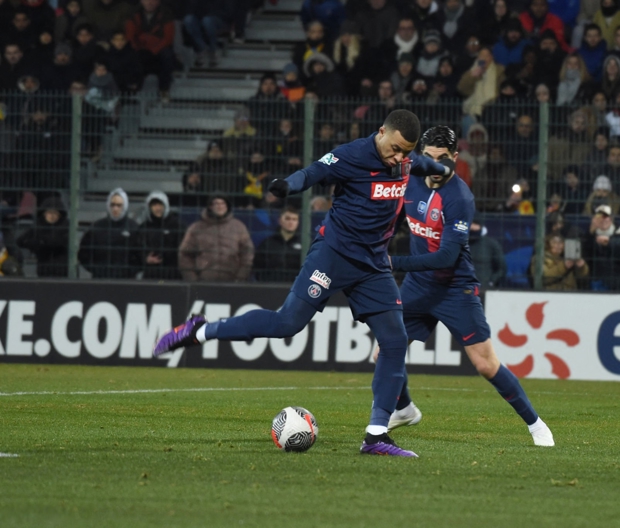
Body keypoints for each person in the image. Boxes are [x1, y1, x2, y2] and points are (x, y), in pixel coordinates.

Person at [154, 110, 456, 457]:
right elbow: (313, 172)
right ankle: (201, 330)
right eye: (397, 149)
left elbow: (419, 164)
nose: (400, 157)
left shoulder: (403, 159)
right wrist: (287, 185)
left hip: (372, 264)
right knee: (286, 324)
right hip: (333, 255)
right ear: (382, 132)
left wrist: (440, 169)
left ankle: (376, 437)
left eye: (407, 151)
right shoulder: (351, 155)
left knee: (394, 339)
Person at [385, 126, 554, 447]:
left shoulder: (460, 197)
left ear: (456, 158)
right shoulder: (407, 183)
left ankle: (536, 424)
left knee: (485, 364)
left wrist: (394, 263)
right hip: (417, 286)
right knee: (384, 350)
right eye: (430, 158)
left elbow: (447, 257)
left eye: (444, 159)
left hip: (454, 287)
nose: (436, 167)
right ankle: (404, 408)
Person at [178, 193, 254, 282]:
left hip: (233, 284)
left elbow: (247, 254)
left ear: (227, 206)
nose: (220, 206)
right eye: (216, 203)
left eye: (223, 203)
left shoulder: (239, 227)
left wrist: (240, 278)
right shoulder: (196, 228)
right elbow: (184, 255)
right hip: (204, 283)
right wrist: (193, 280)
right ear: (210, 206)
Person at [78, 187, 140, 279]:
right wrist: (96, 270)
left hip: (126, 281)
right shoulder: (96, 227)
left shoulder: (134, 228)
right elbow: (83, 253)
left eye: (119, 205)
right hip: (101, 279)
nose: (115, 208)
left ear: (125, 206)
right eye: (112, 204)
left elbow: (140, 255)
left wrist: (129, 271)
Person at [16, 196, 70, 277]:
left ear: (60, 215)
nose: (52, 216)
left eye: (55, 213)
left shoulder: (66, 225)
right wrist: (35, 244)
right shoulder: (38, 225)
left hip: (62, 269)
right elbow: (20, 241)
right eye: (49, 212)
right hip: (43, 268)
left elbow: (58, 243)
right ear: (44, 213)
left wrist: (41, 242)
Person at [136, 190, 182, 280]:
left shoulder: (177, 226)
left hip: (172, 273)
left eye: (160, 204)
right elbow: (137, 249)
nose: (157, 208)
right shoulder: (143, 228)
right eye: (154, 205)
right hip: (150, 273)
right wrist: (146, 258)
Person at [253, 206, 302, 282]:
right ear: (279, 221)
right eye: (287, 218)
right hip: (271, 288)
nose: (291, 222)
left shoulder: (305, 244)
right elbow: (258, 267)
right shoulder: (267, 244)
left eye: (294, 219)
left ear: (298, 223)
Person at [467, 215, 506, 288]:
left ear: (481, 226)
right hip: (463, 289)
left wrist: (491, 282)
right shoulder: (461, 244)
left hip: (484, 289)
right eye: (470, 223)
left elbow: (501, 268)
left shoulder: (491, 244)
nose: (472, 227)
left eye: (475, 224)